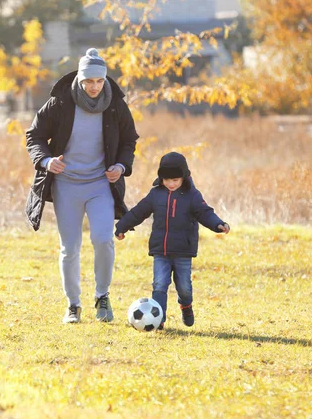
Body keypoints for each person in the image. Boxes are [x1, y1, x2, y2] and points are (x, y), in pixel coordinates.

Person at [25, 48, 139, 324]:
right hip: (66, 185)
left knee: (103, 240)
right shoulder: (60, 103)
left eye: (99, 81)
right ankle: (73, 305)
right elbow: (34, 136)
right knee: (70, 247)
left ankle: (102, 296)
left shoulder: (115, 105)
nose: (94, 86)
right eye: (89, 81)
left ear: (104, 80)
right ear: (79, 79)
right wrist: (46, 160)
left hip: (100, 184)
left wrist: (121, 167)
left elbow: (129, 141)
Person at [114, 152, 230, 329]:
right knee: (159, 284)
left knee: (184, 286)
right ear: (161, 178)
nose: (171, 184)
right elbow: (139, 212)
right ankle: (158, 318)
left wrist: (218, 224)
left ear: (184, 177)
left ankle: (186, 306)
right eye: (167, 180)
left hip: (183, 250)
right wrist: (122, 226)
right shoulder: (155, 194)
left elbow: (205, 212)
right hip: (161, 250)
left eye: (175, 180)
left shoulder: (192, 195)